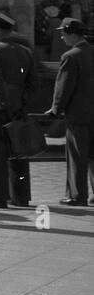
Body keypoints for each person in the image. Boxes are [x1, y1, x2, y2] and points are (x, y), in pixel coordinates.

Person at [0, 11, 37, 209]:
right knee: (18, 151)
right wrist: (19, 104)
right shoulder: (25, 52)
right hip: (18, 107)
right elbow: (33, 84)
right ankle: (20, 197)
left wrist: (4, 104)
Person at [44, 18, 94, 206]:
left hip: (79, 115)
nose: (62, 37)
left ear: (71, 33)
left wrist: (56, 109)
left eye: (63, 33)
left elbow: (64, 87)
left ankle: (76, 195)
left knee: (77, 157)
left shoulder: (71, 56)